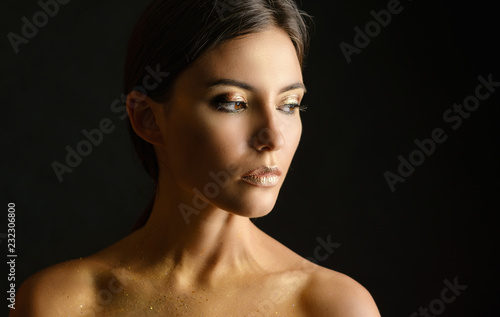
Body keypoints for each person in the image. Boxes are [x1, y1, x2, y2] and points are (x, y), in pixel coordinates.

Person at [12, 0, 380, 316]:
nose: (273, 137)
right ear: (147, 118)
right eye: (234, 103)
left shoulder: (334, 307)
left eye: (289, 105)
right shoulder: (54, 303)